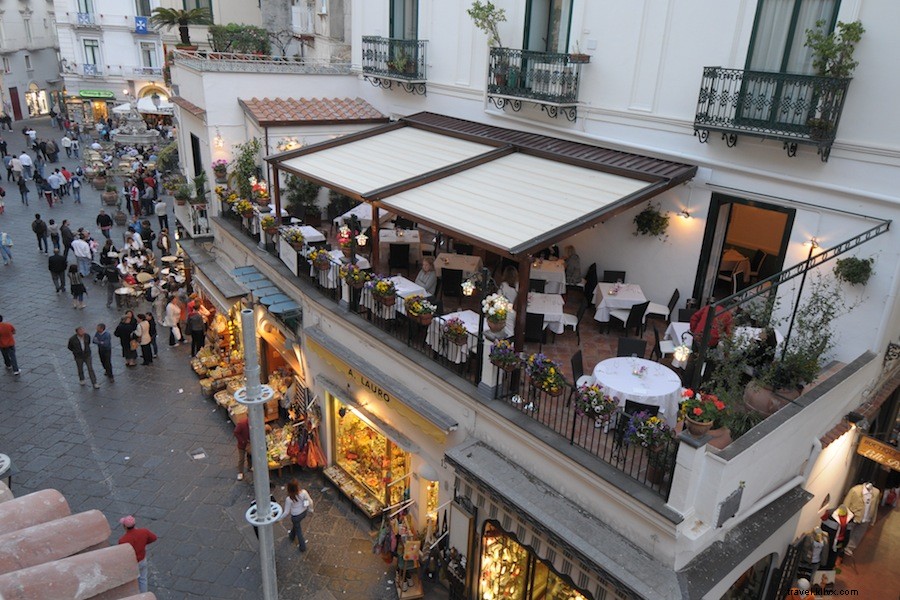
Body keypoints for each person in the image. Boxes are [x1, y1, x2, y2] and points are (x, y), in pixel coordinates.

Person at [117, 515, 157, 594]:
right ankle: (144, 595)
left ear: (125, 527)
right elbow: (154, 538)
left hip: (132, 563)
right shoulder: (144, 532)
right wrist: (144, 543)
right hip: (142, 560)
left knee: (132, 580)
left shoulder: (123, 540)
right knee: (143, 579)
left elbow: (123, 554)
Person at [280, 479, 314, 552]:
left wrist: (279, 518)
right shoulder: (304, 492)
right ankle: (292, 536)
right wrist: (310, 510)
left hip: (295, 516)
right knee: (296, 525)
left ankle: (303, 547)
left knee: (299, 531)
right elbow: (310, 501)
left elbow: (286, 512)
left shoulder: (289, 499)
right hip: (303, 513)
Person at [234, 416, 250, 481]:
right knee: (241, 458)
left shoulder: (254, 423)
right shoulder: (241, 424)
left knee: (250, 456)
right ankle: (240, 472)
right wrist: (242, 441)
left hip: (250, 444)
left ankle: (250, 466)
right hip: (242, 445)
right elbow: (236, 432)